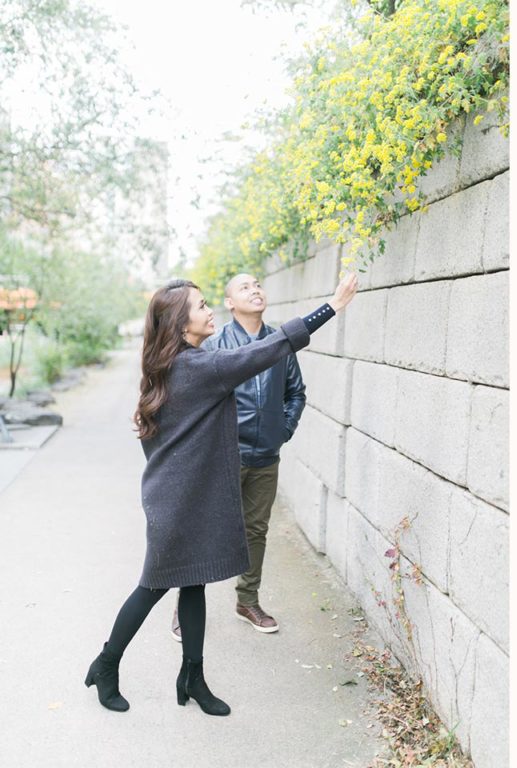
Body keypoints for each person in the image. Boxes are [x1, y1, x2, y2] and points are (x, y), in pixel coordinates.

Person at [85, 272, 358, 716]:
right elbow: (269, 348)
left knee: (194, 584)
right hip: (177, 507)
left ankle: (192, 678)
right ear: (180, 322)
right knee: (152, 587)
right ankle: (106, 664)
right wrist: (333, 306)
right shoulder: (200, 367)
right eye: (201, 305)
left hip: (181, 498)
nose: (209, 310)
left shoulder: (171, 365)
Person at [170, 273, 302, 639]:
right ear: (230, 303)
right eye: (244, 287)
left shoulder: (280, 343)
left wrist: (282, 430)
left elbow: (296, 394)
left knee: (256, 531)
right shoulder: (215, 345)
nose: (255, 289)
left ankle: (248, 600)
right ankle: (186, 607)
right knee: (204, 530)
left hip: (265, 457)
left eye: (257, 284)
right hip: (224, 458)